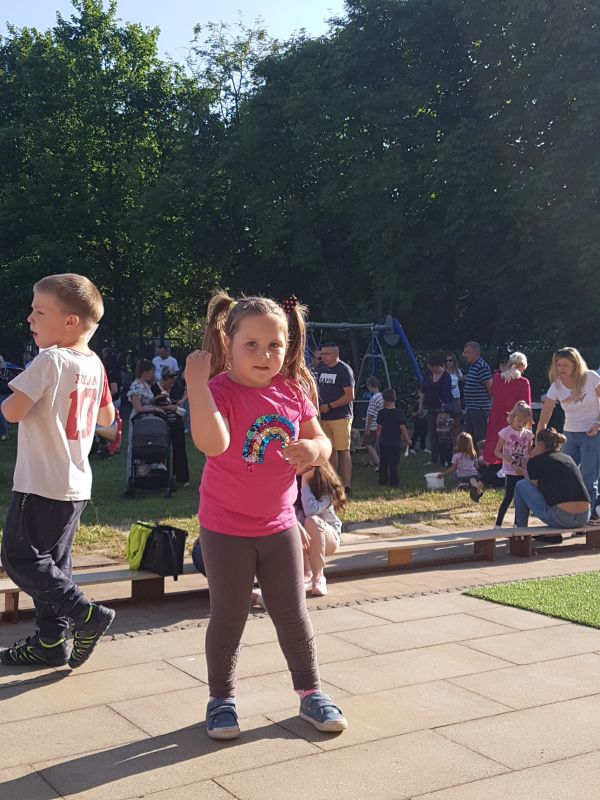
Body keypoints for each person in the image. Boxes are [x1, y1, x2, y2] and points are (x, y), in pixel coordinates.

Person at [186, 292, 348, 740]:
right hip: (225, 528)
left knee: (293, 613)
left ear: (288, 344)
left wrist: (314, 449)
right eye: (251, 345)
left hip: (279, 526)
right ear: (229, 342)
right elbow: (213, 444)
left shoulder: (292, 390)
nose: (264, 355)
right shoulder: (219, 391)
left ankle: (311, 694)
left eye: (274, 345)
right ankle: (221, 700)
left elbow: (323, 442)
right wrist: (197, 386)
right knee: (229, 614)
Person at [0, 273, 115, 669]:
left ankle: (85, 614)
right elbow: (107, 418)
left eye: (39, 311)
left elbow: (12, 412)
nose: (29, 318)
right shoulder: (94, 363)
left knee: (19, 557)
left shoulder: (50, 359)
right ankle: (51, 641)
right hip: (75, 485)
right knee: (53, 565)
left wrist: (14, 393)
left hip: (39, 482)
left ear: (70, 321)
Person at [536, 347, 600, 521]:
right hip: (570, 434)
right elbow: (545, 415)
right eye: (558, 365)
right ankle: (570, 513)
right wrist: (538, 441)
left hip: (592, 433)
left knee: (588, 476)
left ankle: (590, 516)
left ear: (575, 365)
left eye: (565, 365)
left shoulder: (591, 377)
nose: (561, 369)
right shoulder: (556, 386)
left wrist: (598, 424)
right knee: (566, 474)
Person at [514, 428, 590, 539]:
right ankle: (550, 535)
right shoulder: (568, 458)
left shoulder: (535, 461)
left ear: (540, 444)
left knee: (521, 485)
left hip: (562, 518)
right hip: (584, 517)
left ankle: (521, 531)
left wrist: (523, 472)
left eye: (535, 445)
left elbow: (535, 489)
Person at [296, 462, 346, 597]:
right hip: (305, 543)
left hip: (328, 538)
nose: (293, 462)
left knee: (311, 520)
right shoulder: (290, 482)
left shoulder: (325, 485)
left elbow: (311, 510)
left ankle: (318, 576)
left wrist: (305, 482)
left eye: (300, 460)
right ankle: (306, 572)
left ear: (311, 465)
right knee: (294, 522)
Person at [317, 343, 355, 496]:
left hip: (341, 417)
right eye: (322, 354)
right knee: (330, 450)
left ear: (335, 354)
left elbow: (350, 396)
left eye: (326, 354)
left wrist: (330, 406)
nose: (323, 357)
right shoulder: (321, 370)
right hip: (324, 417)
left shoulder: (344, 370)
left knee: (343, 451)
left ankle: (347, 485)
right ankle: (333, 483)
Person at [482, 352, 531, 467]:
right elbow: (527, 406)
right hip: (514, 419)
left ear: (509, 364)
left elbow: (493, 394)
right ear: (522, 366)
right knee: (513, 446)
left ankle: (492, 468)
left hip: (496, 416)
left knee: (494, 444)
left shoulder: (497, 378)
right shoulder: (523, 382)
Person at [494, 401, 535, 527]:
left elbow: (529, 451)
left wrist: (528, 458)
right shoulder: (505, 432)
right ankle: (498, 524)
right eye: (519, 420)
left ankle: (518, 524)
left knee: (521, 500)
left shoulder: (528, 434)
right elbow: (496, 451)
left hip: (522, 470)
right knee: (508, 497)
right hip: (510, 470)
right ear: (512, 417)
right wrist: (505, 457)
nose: (521, 423)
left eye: (524, 421)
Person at [151, 367, 190, 486]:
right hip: (161, 422)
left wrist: (182, 400)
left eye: (173, 383)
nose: (171, 386)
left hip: (176, 420)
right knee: (162, 448)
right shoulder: (155, 388)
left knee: (179, 447)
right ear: (163, 380)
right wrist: (167, 407)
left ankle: (182, 477)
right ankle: (162, 475)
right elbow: (151, 405)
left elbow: (186, 390)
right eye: (169, 383)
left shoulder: (176, 387)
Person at [418, 353, 453, 466]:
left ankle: (446, 459)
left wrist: (442, 412)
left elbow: (446, 395)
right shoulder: (428, 374)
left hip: (443, 408)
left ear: (436, 365)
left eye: (431, 366)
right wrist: (421, 405)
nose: (430, 368)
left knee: (443, 434)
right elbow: (423, 390)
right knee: (432, 433)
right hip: (431, 407)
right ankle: (434, 458)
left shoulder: (446, 377)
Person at [376, 388, 412, 487]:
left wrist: (377, 439)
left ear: (384, 399)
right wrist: (407, 440)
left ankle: (383, 480)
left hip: (384, 441)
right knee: (394, 464)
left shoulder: (381, 413)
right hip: (395, 443)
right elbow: (402, 428)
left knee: (383, 462)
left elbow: (379, 428)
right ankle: (394, 482)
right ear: (395, 398)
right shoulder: (399, 413)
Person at [462, 341, 493, 448]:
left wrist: (491, 407)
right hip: (472, 408)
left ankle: (482, 457)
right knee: (469, 438)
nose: (465, 355)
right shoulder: (473, 366)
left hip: (479, 409)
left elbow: (490, 387)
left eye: (467, 352)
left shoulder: (481, 367)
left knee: (480, 439)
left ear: (475, 351)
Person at [438, 432, 484, 501]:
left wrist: (443, 474)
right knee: (473, 479)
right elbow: (477, 466)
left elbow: (453, 468)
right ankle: (475, 486)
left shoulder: (456, 456)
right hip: (473, 474)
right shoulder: (473, 454)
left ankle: (461, 484)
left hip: (461, 476)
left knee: (455, 474)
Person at [363, 376, 383, 469]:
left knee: (368, 443)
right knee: (376, 444)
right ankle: (374, 462)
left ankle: (378, 462)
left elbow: (371, 414)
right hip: (380, 424)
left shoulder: (373, 398)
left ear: (370, 386)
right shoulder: (382, 396)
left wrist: (368, 428)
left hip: (373, 425)